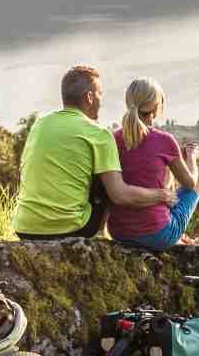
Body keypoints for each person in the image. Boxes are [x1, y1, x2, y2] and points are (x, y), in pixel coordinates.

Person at [14, 64, 174, 240]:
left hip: (24, 227)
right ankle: (101, 233)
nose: (101, 101)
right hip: (70, 229)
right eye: (100, 94)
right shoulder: (99, 134)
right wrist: (162, 195)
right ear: (89, 97)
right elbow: (119, 195)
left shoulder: (40, 124)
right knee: (107, 177)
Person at [107, 78, 199, 249]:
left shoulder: (111, 139)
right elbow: (190, 183)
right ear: (157, 108)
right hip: (158, 235)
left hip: (119, 233)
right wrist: (191, 157)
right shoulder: (164, 140)